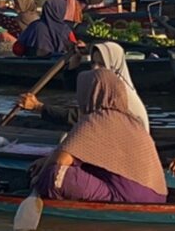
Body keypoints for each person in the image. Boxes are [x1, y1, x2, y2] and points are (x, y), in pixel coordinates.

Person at [25, 70, 167, 204]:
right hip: (157, 196)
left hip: (126, 196)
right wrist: (47, 160)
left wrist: (38, 179)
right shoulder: (132, 120)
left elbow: (61, 160)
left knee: (53, 174)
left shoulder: (97, 118)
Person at [12, 0, 78, 58]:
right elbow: (74, 49)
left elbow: (17, 49)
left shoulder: (34, 26)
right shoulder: (65, 29)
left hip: (31, 65)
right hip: (57, 65)